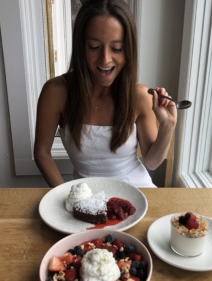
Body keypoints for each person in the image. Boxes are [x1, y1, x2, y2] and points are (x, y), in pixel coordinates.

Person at [34, 0, 177, 188]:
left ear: (128, 50)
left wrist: (168, 125)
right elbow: (41, 152)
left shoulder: (140, 96)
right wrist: (63, 195)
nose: (105, 59)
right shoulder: (56, 93)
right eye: (94, 46)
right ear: (80, 47)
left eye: (116, 48)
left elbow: (151, 162)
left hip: (138, 191)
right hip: (87, 197)